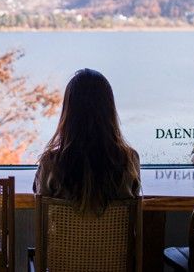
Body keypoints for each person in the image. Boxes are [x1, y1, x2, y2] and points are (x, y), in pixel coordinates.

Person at [33, 68, 141, 215]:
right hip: (112, 238)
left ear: (68, 113)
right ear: (109, 111)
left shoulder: (51, 163)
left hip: (65, 238)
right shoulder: (129, 160)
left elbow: (42, 210)